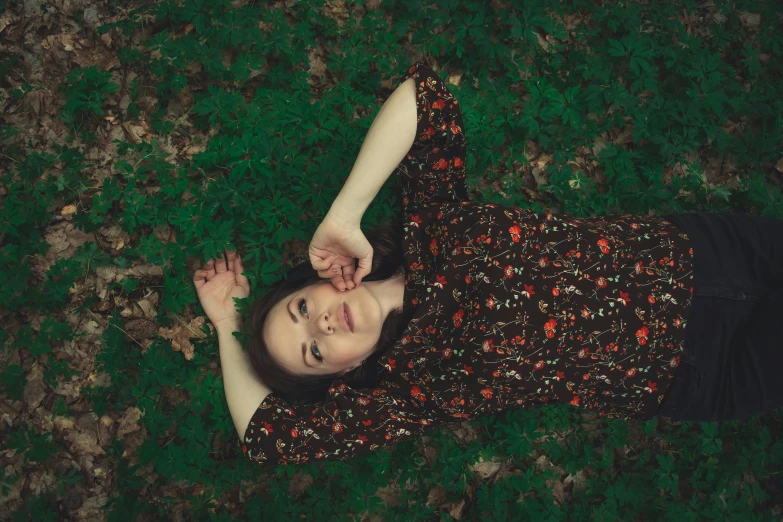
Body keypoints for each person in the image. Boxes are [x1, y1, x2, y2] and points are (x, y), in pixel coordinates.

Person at [193, 62, 783, 466]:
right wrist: (229, 324)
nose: (320, 326)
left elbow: (427, 98)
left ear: (318, 281)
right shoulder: (412, 391)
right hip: (704, 367)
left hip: (702, 249)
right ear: (343, 378)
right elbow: (269, 438)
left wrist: (344, 216)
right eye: (314, 354)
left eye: (302, 310)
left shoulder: (431, 220)